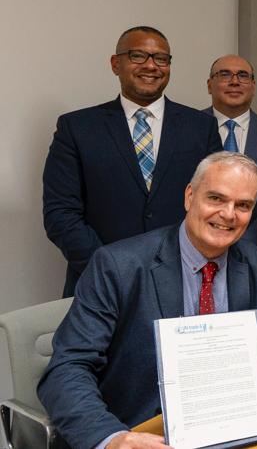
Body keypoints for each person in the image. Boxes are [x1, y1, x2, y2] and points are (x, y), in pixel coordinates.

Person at [37, 152, 257, 449]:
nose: (228, 214)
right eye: (216, 198)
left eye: (243, 205)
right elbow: (66, 369)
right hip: (145, 432)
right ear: (189, 196)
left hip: (230, 424)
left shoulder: (254, 262)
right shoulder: (118, 266)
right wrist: (112, 438)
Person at [42, 25, 221, 296]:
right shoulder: (77, 128)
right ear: (116, 64)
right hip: (99, 284)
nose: (151, 65)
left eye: (161, 58)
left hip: (183, 281)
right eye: (138, 56)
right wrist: (110, 270)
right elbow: (60, 213)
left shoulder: (201, 127)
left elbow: (214, 204)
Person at [204, 54, 257, 250]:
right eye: (225, 74)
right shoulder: (189, 127)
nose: (234, 81)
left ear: (253, 85)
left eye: (243, 75)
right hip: (199, 243)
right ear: (209, 85)